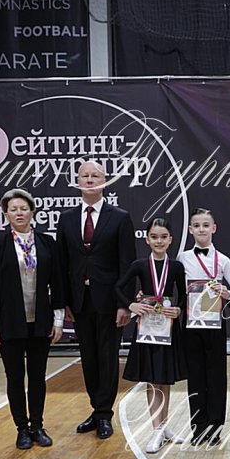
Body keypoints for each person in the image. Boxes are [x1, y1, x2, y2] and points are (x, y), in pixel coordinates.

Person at [56, 160, 135, 440]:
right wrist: (64, 302)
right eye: (85, 176)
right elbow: (61, 263)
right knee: (88, 357)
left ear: (105, 180)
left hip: (110, 301)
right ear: (77, 181)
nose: (89, 180)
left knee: (107, 356)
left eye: (95, 175)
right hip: (80, 300)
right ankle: (96, 408)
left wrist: (124, 303)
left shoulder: (120, 217)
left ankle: (104, 413)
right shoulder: (66, 219)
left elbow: (127, 264)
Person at [0, 188, 65, 449]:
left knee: (38, 376)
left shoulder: (47, 243)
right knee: (15, 377)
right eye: (13, 209)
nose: (19, 213)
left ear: (32, 212)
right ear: (6, 214)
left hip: (40, 322)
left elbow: (58, 283)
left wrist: (58, 319)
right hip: (10, 324)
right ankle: (22, 429)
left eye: (23, 208)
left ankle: (37, 426)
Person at [117, 218, 188, 453]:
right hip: (147, 330)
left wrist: (178, 309)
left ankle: (164, 427)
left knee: (165, 378)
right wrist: (131, 305)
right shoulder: (139, 265)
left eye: (163, 237)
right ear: (147, 239)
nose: (159, 241)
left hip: (168, 329)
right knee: (152, 379)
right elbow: (118, 287)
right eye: (154, 237)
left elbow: (184, 295)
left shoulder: (176, 267)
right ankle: (156, 429)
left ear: (171, 240)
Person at [178, 208, 230, 445]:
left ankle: (215, 429)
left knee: (216, 377)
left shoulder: (223, 260)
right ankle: (198, 428)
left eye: (206, 225)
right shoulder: (182, 258)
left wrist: (227, 293)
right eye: (197, 225)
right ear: (190, 230)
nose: (202, 229)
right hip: (192, 325)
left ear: (214, 228)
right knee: (195, 376)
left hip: (215, 325)